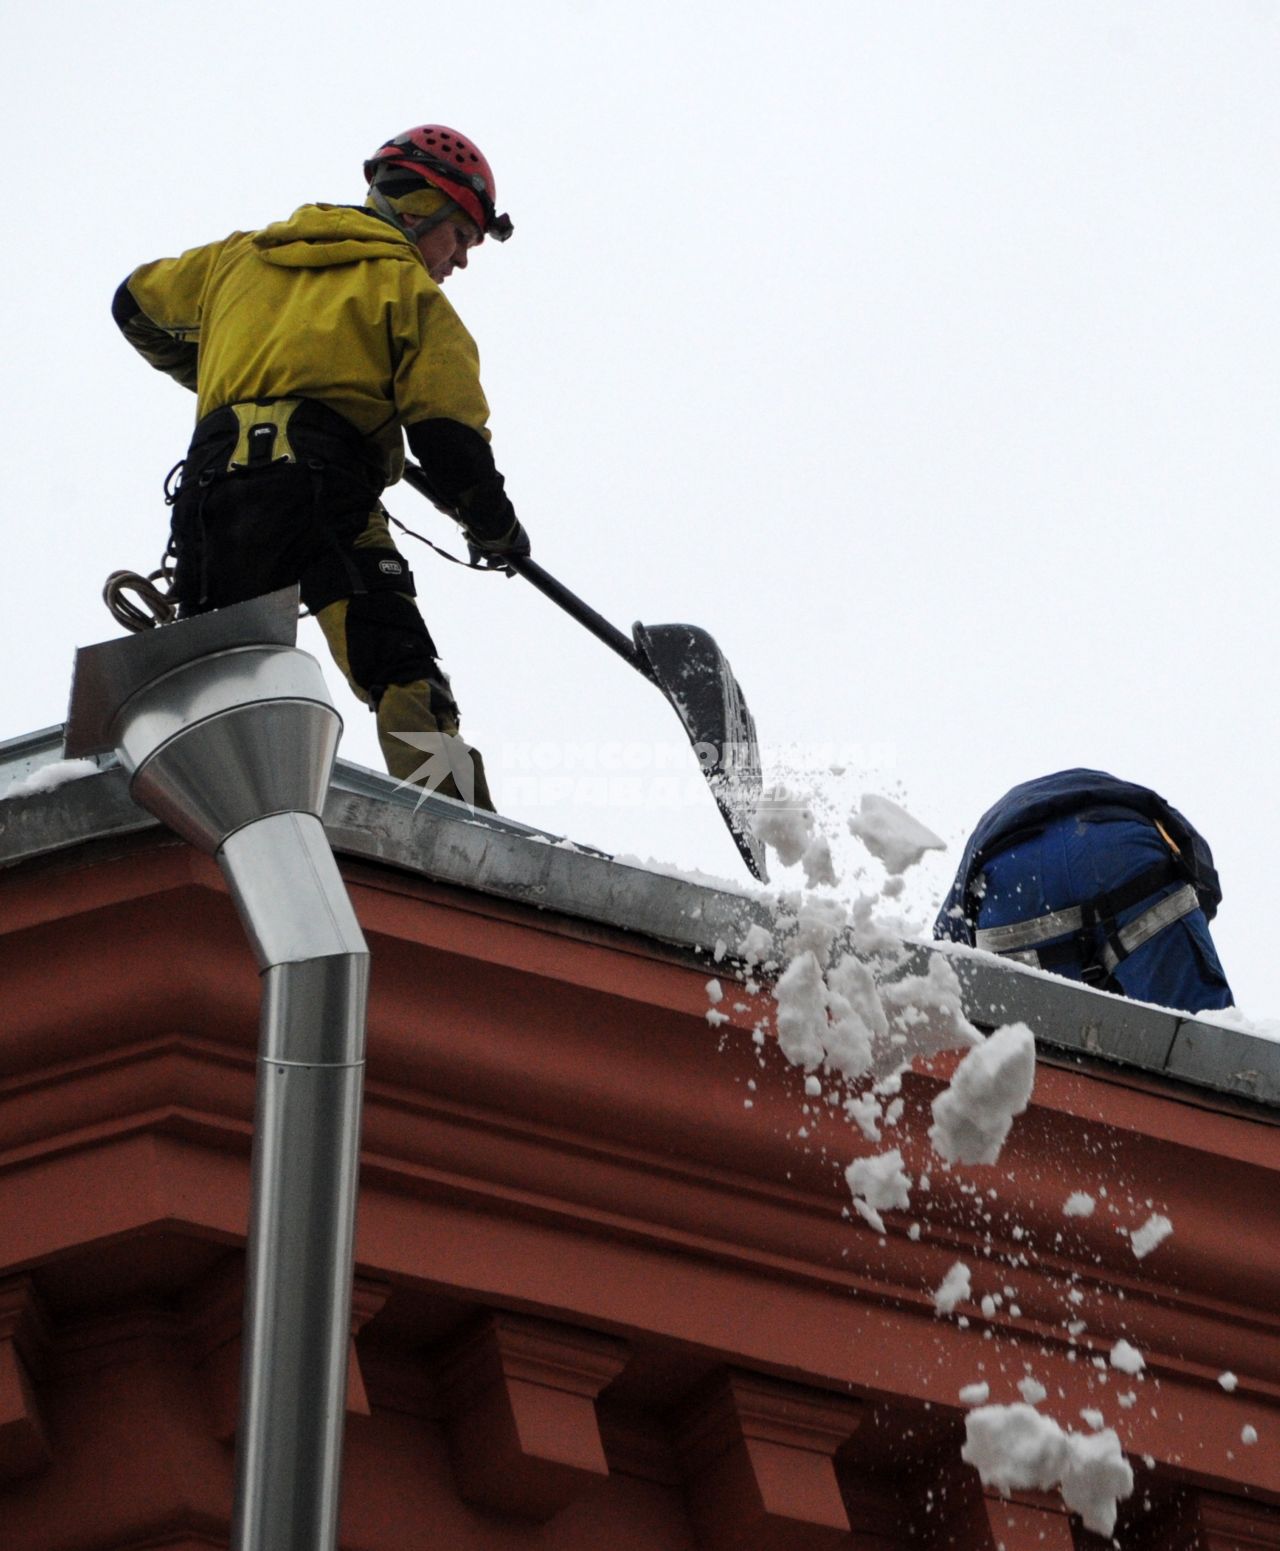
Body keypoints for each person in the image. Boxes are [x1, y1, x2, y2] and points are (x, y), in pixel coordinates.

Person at [111, 123, 529, 810]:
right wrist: (496, 528)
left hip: (215, 498)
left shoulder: (237, 259)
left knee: (216, 684)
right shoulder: (410, 294)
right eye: (461, 237)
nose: (459, 262)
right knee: (402, 674)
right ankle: (457, 825)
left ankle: (197, 813)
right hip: (322, 495)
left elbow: (133, 305)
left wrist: (238, 378)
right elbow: (449, 438)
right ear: (422, 209)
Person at [934, 769, 1233, 1015]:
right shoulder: (1149, 817)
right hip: (1116, 845)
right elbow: (1198, 866)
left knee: (1005, 1052)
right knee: (1204, 1030)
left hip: (1009, 869)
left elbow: (946, 946)